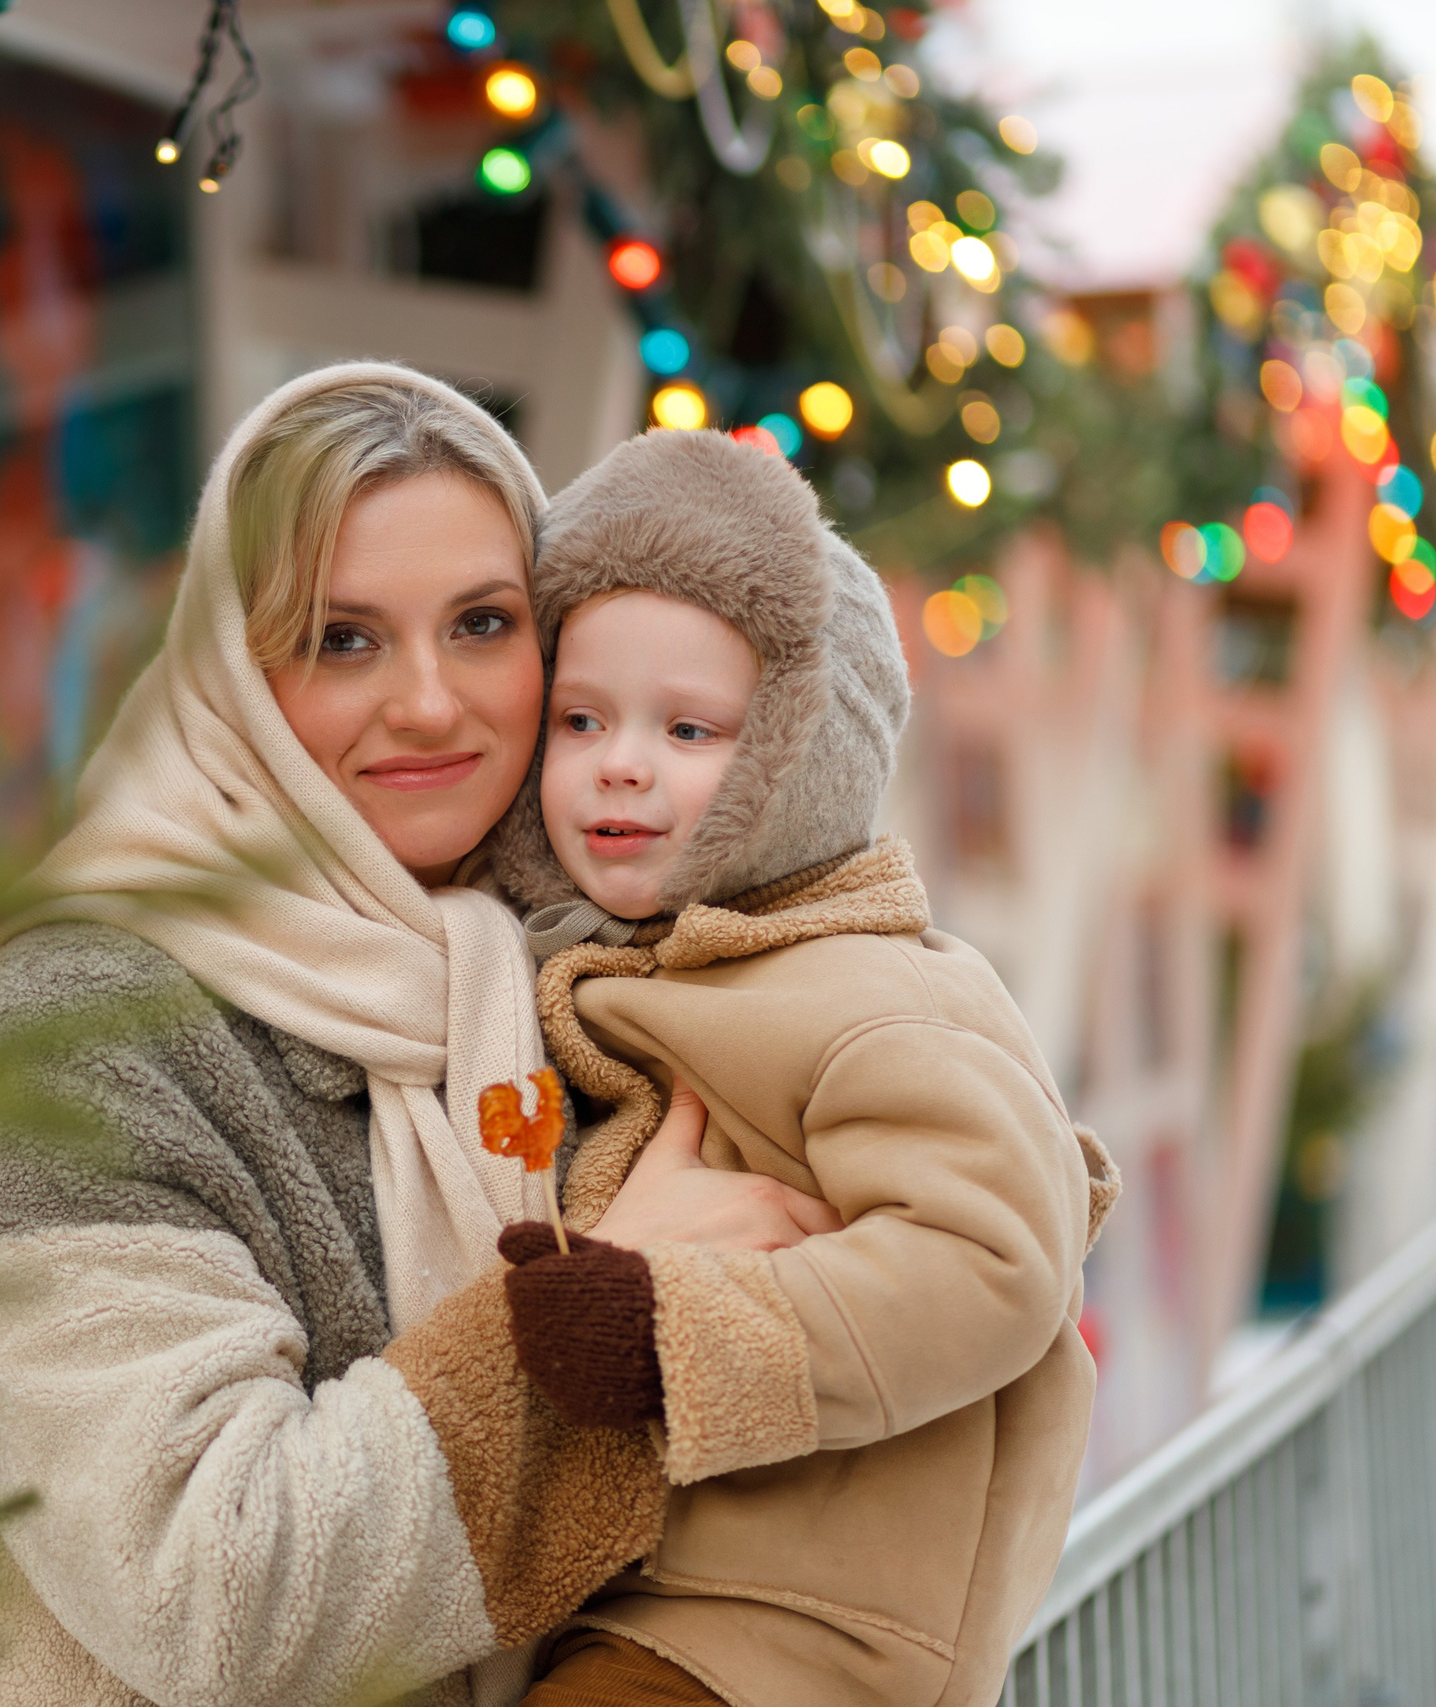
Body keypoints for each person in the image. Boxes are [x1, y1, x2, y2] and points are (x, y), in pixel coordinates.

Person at [0, 366, 818, 1707]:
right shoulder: (68, 1026)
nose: (434, 702)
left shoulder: (554, 970)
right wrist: (603, 1299)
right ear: (234, 671)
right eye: (343, 637)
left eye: (484, 623)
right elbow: (214, 1588)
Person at [483, 427, 1121, 1707]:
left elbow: (994, 1251)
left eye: (690, 727)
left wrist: (682, 1337)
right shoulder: (621, 968)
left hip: (785, 1634)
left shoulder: (868, 993)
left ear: (797, 751)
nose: (621, 761)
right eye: (580, 717)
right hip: (652, 1607)